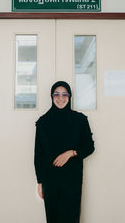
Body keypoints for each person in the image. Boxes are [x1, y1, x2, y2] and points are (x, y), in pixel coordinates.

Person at [34, 81, 95, 223]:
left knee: (71, 218)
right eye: (56, 94)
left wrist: (70, 153)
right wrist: (40, 182)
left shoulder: (80, 120)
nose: (60, 98)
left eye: (64, 94)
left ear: (69, 96)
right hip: (50, 181)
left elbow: (89, 147)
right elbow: (39, 155)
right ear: (51, 96)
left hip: (72, 180)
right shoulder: (43, 122)